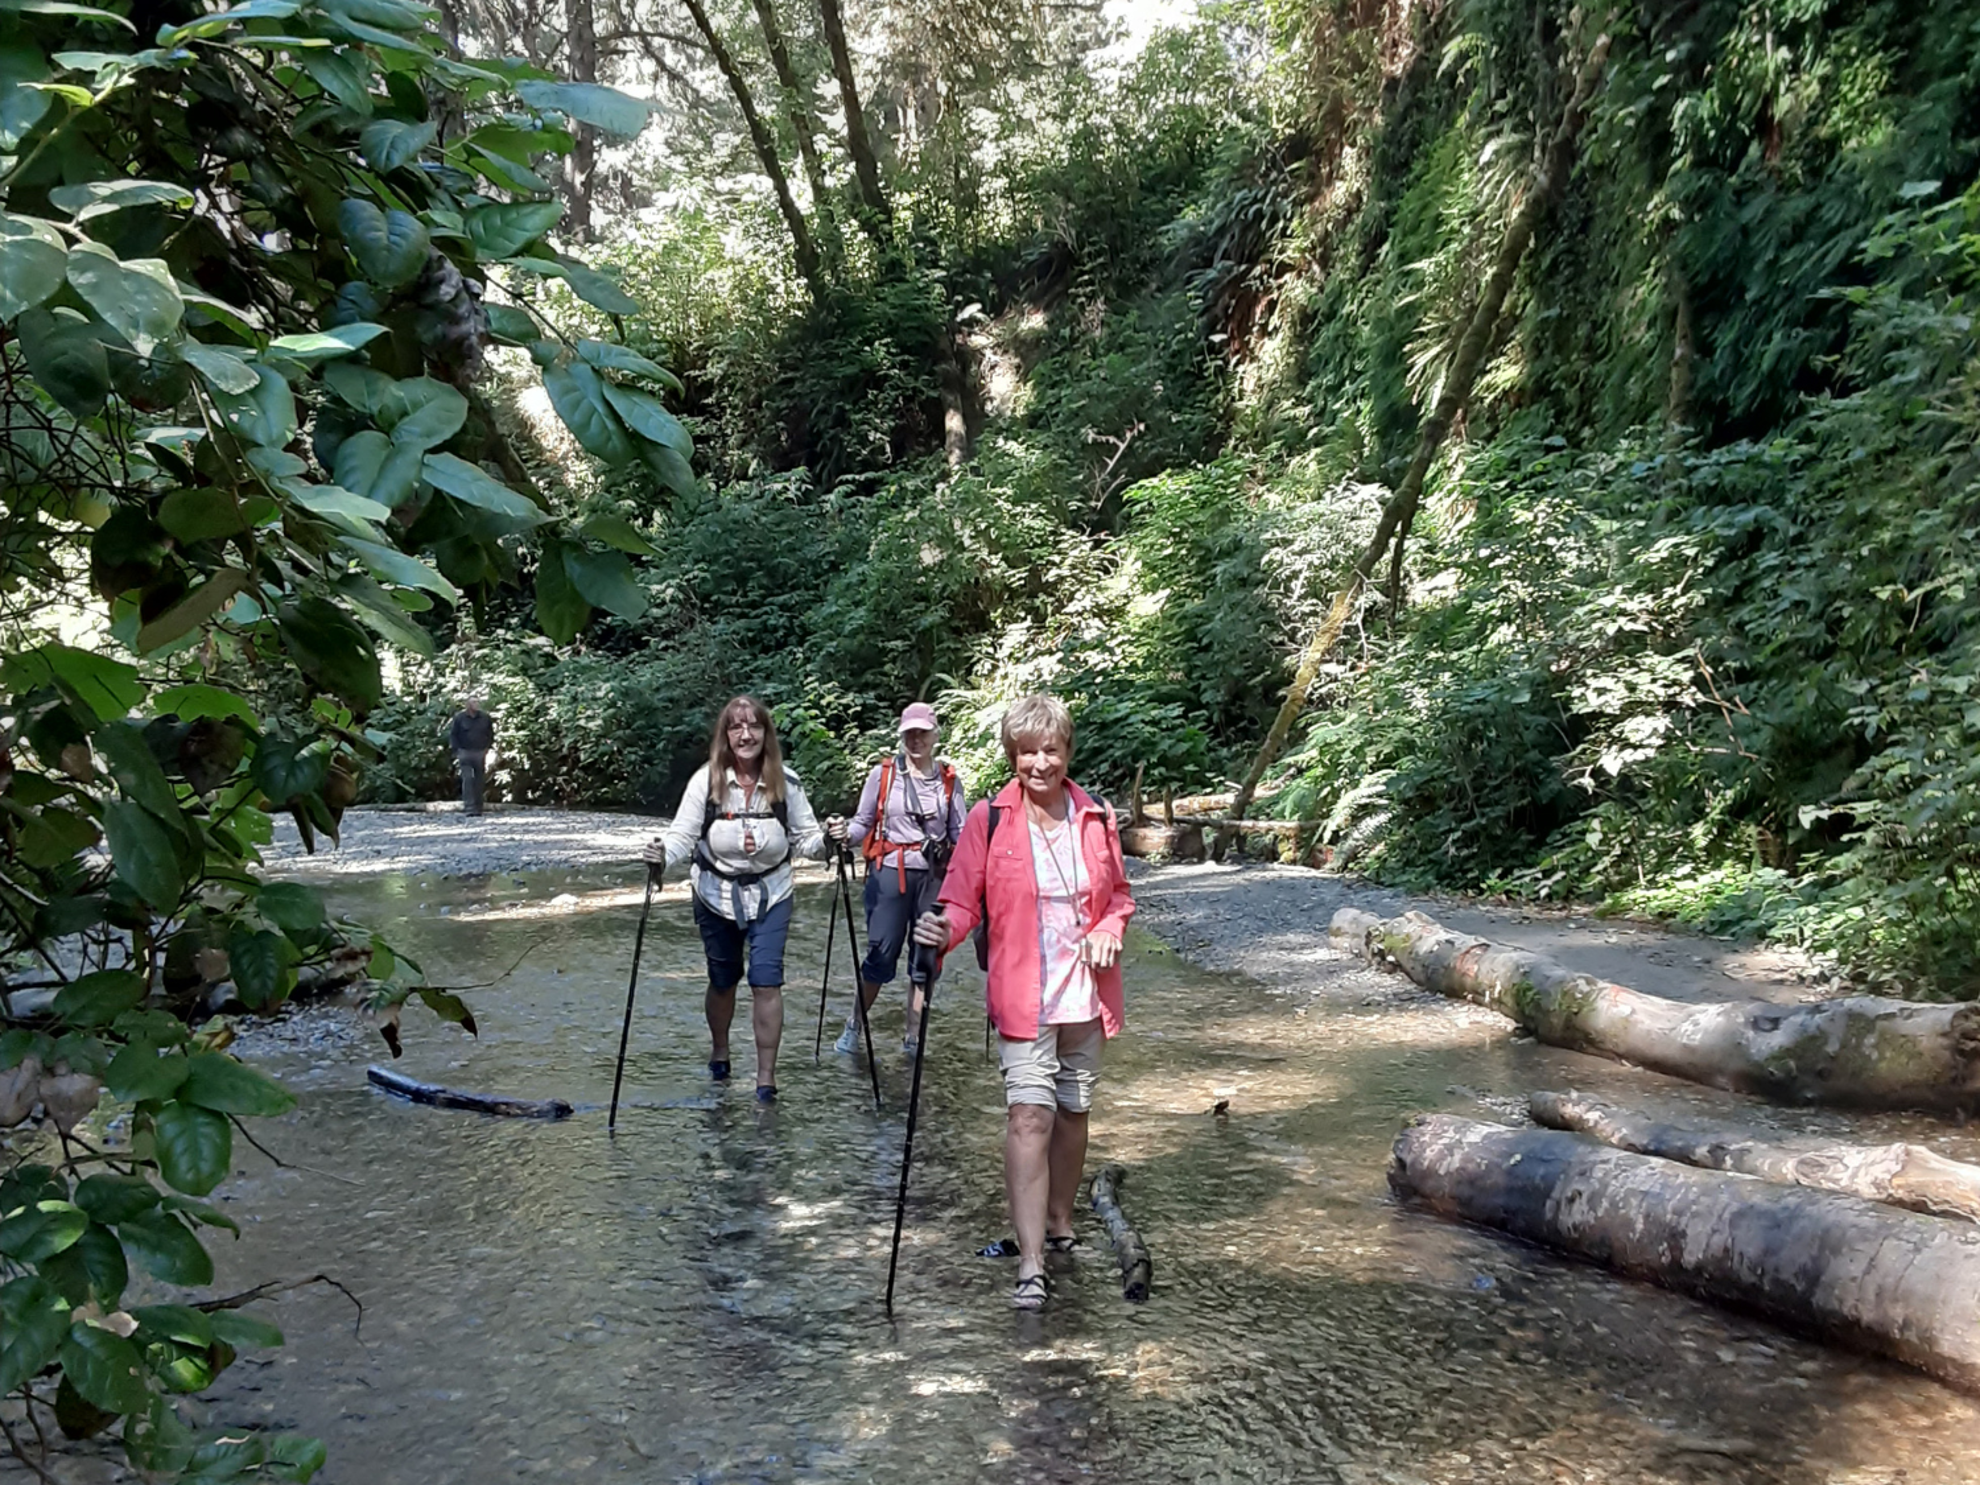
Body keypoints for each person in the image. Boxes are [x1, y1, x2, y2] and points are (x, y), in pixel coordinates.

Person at [911, 693, 1134, 1309]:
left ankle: (1060, 1225)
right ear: (1013, 755)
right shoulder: (989, 820)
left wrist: (1108, 932)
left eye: (1051, 750)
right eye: (1028, 751)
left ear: (1067, 752)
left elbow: (1117, 897)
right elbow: (961, 901)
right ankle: (1031, 1262)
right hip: (1022, 994)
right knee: (1028, 1116)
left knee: (1072, 1112)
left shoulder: (1095, 816)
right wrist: (941, 931)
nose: (1041, 763)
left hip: (1084, 996)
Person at [644, 697, 828, 1103]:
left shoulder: (787, 783)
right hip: (714, 894)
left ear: (766, 734)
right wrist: (661, 855)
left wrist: (832, 841)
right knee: (724, 980)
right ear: (725, 736)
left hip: (773, 892)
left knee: (766, 980)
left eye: (754, 727)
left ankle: (766, 1080)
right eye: (736, 727)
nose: (746, 735)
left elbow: (808, 838)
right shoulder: (705, 782)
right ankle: (721, 1048)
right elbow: (681, 836)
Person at [825, 702, 967, 1056]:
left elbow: (961, 835)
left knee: (925, 957)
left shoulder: (949, 779)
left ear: (935, 735)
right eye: (909, 733)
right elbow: (862, 822)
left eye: (922, 732)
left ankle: (913, 1038)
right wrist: (844, 834)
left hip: (934, 878)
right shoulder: (883, 775)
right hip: (890, 874)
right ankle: (854, 1025)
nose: (916, 739)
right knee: (880, 953)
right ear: (902, 735)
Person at [448, 697, 495, 816]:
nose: (476, 704)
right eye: (474, 702)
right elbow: (454, 735)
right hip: (465, 752)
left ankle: (479, 807)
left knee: (479, 780)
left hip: (480, 752)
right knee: (467, 780)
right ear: (468, 705)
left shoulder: (485, 718)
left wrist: (487, 748)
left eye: (477, 702)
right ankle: (469, 807)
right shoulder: (460, 718)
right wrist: (457, 750)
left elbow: (490, 733)